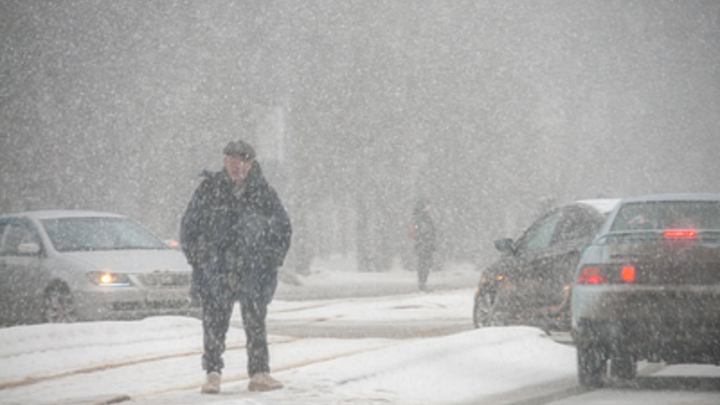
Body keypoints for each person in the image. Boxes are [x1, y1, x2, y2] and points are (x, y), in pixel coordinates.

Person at [180, 140, 292, 394]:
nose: (238, 167)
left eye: (243, 162)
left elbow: (282, 228)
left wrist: (271, 257)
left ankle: (259, 373)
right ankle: (212, 374)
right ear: (225, 162)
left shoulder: (264, 193)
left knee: (255, 322)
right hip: (217, 269)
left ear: (251, 164)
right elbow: (189, 227)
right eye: (233, 162)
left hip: (254, 269)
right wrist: (201, 257)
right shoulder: (209, 190)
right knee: (214, 322)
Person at [410, 198, 436, 291]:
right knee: (424, 264)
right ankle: (422, 284)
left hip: (424, 244)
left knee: (424, 264)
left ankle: (422, 283)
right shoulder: (422, 218)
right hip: (424, 244)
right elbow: (425, 231)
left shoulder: (421, 217)